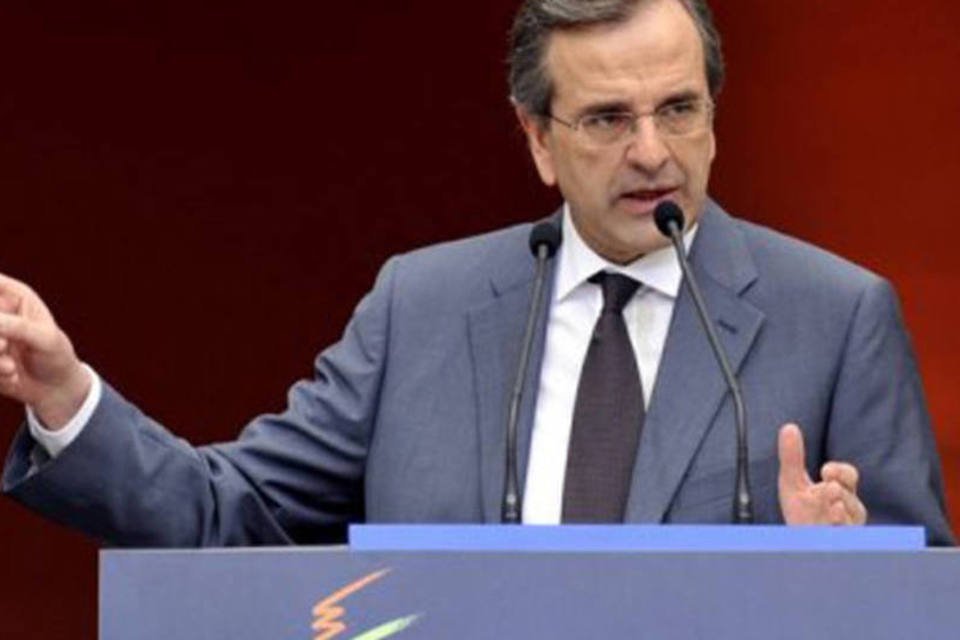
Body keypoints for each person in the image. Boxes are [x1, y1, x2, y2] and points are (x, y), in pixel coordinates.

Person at [0, 0, 953, 545]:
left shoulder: (837, 318)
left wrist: (848, 576)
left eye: (680, 109)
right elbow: (230, 512)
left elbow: (918, 598)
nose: (652, 151)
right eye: (608, 119)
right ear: (537, 139)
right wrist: (67, 398)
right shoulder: (422, 307)